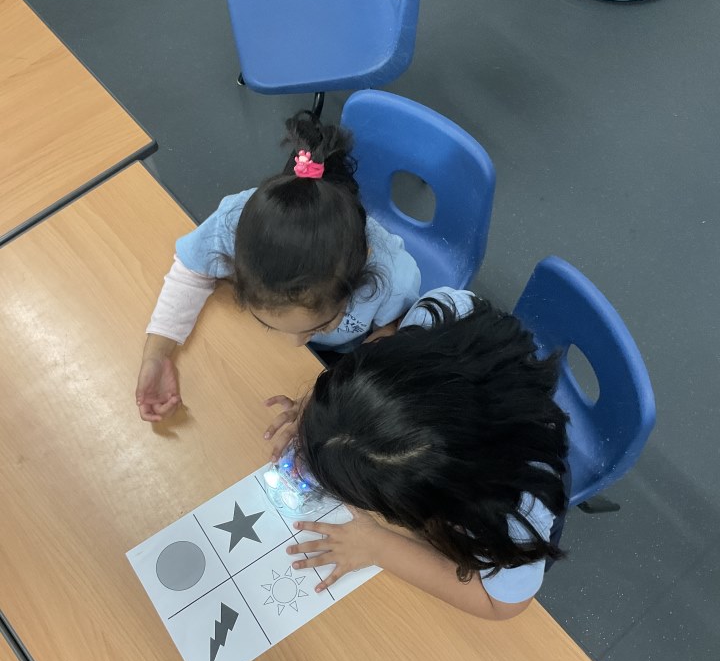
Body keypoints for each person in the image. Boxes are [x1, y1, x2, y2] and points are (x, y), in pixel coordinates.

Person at [266, 290, 569, 620]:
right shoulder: (442, 314)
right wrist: (324, 419)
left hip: (521, 483)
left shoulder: (516, 515)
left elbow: (502, 604)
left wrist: (379, 546)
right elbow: (389, 339)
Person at [136, 112, 421, 422]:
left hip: (344, 360)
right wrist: (157, 353)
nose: (297, 342)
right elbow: (193, 269)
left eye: (319, 326)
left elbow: (395, 332)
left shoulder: (393, 281)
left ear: (361, 274)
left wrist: (331, 390)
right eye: (269, 324)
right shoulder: (236, 222)